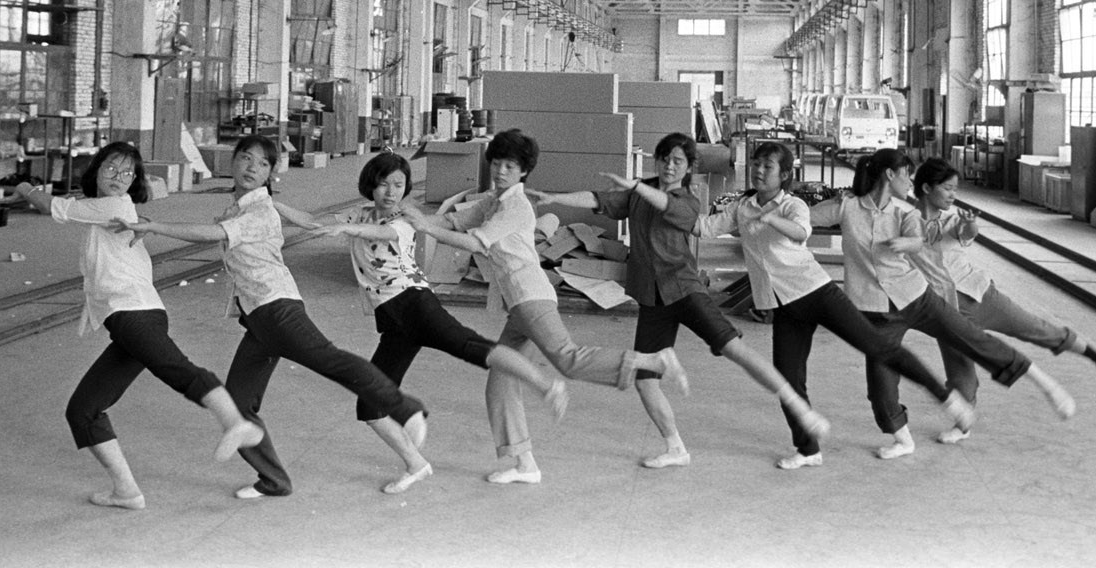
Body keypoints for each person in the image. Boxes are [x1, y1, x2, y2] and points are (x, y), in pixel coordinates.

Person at [113, 135, 428, 499]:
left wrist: (155, 227)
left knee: (331, 361)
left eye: (262, 164)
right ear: (232, 162)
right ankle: (273, 480)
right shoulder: (238, 208)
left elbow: (211, 235)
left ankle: (406, 408)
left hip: (277, 308)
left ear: (270, 174)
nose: (252, 168)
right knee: (238, 403)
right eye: (246, 158)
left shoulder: (259, 211)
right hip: (257, 318)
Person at [401, 128, 688, 486]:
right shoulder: (494, 200)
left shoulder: (517, 206)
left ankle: (654, 361)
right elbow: (454, 221)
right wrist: (413, 217)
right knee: (501, 380)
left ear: (524, 171)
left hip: (530, 297)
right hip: (518, 303)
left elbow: (475, 242)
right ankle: (525, 464)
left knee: (568, 359)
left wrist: (423, 227)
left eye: (510, 166)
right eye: (497, 163)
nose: (501, 171)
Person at [533, 132, 829, 470]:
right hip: (651, 296)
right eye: (665, 159)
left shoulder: (687, 200)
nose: (669, 166)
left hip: (684, 289)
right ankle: (675, 447)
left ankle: (800, 409)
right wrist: (553, 198)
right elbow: (598, 199)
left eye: (678, 161)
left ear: (688, 167)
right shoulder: (639, 193)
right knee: (645, 379)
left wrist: (636, 187)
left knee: (734, 349)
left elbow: (667, 206)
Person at [280, 151, 569, 494]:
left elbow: (383, 234)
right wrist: (272, 204)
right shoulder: (360, 212)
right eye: (383, 184)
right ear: (371, 185)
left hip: (415, 304)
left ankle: (546, 385)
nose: (390, 192)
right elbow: (312, 222)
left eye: (398, 184)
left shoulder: (404, 219)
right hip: (392, 317)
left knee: (472, 346)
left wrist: (347, 228)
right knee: (370, 404)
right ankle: (415, 464)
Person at [12, 142, 263, 511]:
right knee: (83, 409)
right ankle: (126, 491)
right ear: (96, 170)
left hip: (135, 315)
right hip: (130, 318)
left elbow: (53, 206)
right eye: (112, 169)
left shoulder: (112, 206)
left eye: (127, 172)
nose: (119, 177)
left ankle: (232, 422)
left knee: (176, 368)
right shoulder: (108, 212)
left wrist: (22, 187)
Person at [698, 141, 975, 470]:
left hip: (816, 292)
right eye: (756, 164)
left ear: (784, 175)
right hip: (782, 303)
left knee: (877, 346)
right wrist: (665, 200)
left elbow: (800, 232)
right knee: (788, 380)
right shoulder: (742, 207)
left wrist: (771, 218)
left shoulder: (793, 205)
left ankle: (948, 399)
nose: (759, 170)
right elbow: (704, 227)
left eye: (767, 166)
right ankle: (808, 449)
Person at [810, 148, 1076, 460]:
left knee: (972, 338)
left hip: (916, 297)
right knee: (880, 384)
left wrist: (907, 243)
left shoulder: (904, 213)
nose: (910, 182)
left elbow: (917, 239)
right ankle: (902, 440)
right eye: (906, 175)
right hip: (874, 309)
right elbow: (805, 217)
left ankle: (1047, 384)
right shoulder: (846, 207)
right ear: (890, 175)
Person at [911, 157, 1096, 444]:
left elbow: (967, 232)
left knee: (1036, 328)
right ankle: (962, 426)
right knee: (959, 373)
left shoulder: (952, 219)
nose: (953, 195)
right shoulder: (907, 221)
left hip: (980, 295)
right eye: (947, 189)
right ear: (927, 188)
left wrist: (970, 224)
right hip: (946, 310)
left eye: (955, 189)